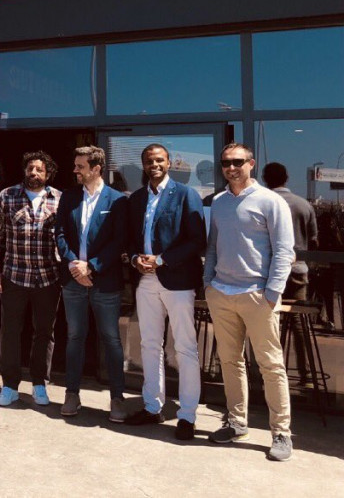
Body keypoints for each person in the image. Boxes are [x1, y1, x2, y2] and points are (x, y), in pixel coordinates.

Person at [205, 144, 295, 461]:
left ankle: (282, 433)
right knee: (230, 363)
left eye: (238, 162)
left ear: (251, 164)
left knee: (270, 365)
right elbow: (213, 246)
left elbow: (284, 251)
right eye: (226, 163)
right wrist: (208, 283)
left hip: (258, 295)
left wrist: (271, 293)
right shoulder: (218, 203)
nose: (231, 167)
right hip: (222, 293)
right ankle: (237, 423)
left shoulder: (271, 202)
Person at [125, 144, 206, 440]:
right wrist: (135, 259)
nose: (154, 164)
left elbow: (197, 240)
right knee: (149, 344)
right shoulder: (136, 199)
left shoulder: (186, 195)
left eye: (159, 160)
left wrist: (161, 259)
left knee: (184, 347)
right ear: (144, 165)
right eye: (149, 161)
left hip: (178, 280)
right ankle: (152, 407)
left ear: (169, 163)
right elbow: (129, 239)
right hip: (145, 281)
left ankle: (186, 415)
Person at [54, 146, 129, 422]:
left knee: (110, 339)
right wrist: (74, 264)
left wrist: (92, 266)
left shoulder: (117, 200)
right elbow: (60, 232)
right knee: (75, 337)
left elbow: (119, 240)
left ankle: (117, 398)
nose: (75, 171)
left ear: (96, 169)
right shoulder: (69, 197)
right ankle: (71, 393)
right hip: (73, 280)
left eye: (80, 166)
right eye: (75, 166)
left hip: (104, 280)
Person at [0, 151, 62, 407]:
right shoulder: (7, 196)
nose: (34, 173)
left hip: (48, 279)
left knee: (44, 333)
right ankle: (9, 385)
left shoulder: (59, 200)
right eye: (30, 168)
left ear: (47, 174)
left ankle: (40, 384)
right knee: (10, 332)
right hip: (14, 277)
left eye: (39, 169)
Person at [263, 162, 319, 386]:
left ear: (266, 179)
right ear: (286, 178)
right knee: (298, 324)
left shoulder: (264, 203)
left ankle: (270, 376)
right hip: (297, 271)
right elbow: (314, 241)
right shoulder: (304, 205)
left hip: (268, 271)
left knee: (267, 323)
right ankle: (306, 375)